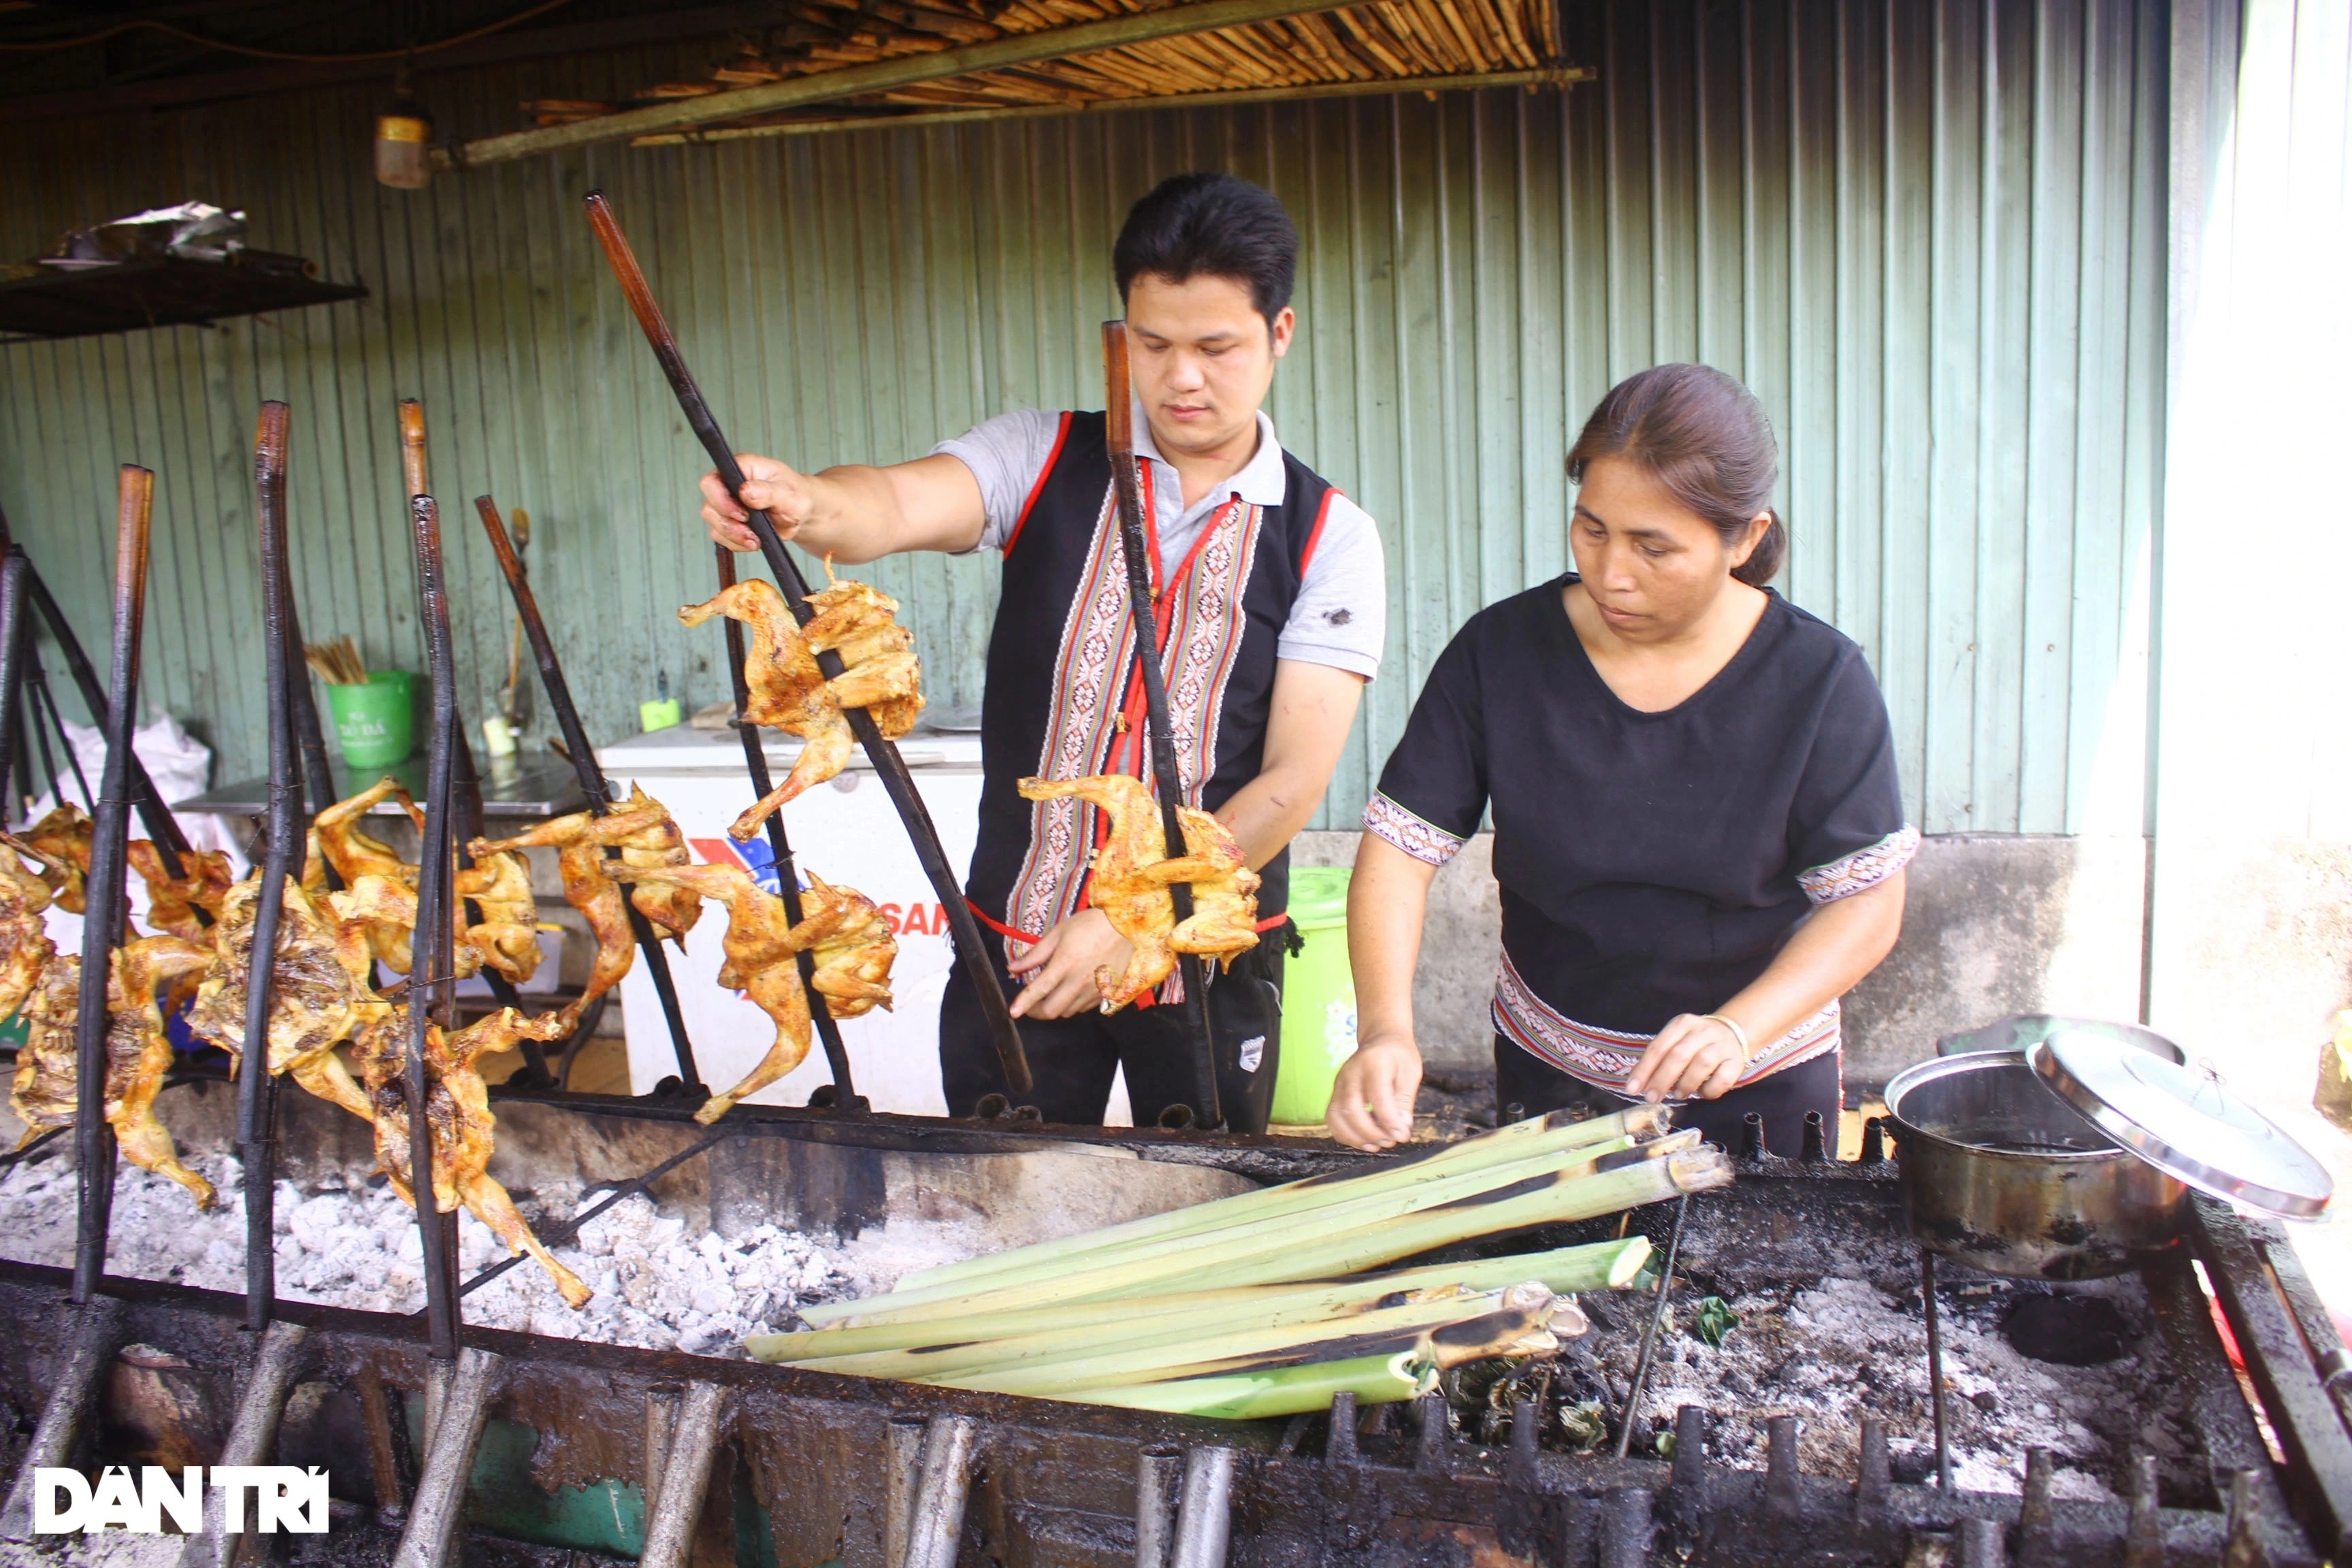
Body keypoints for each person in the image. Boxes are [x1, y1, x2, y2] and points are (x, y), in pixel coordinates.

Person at [699, 172, 1386, 1132]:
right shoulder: (1045, 456)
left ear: (1280, 334)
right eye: (1154, 344)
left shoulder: (1329, 536)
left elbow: (1289, 784)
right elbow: (893, 503)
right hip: (1018, 945)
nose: (1183, 377)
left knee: (1190, 1213)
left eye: (1217, 347)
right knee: (1001, 1197)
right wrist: (808, 502)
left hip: (1205, 961)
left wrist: (1133, 919)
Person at [1325, 363, 1910, 1155]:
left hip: (1756, 1086)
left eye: (1654, 548)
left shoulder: (1820, 681)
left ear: (1747, 539)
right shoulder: (1503, 652)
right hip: (1551, 1079)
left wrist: (1740, 1027)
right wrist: (1386, 1031)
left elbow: (1868, 904)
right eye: (1591, 528)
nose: (1611, 573)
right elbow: (1401, 850)